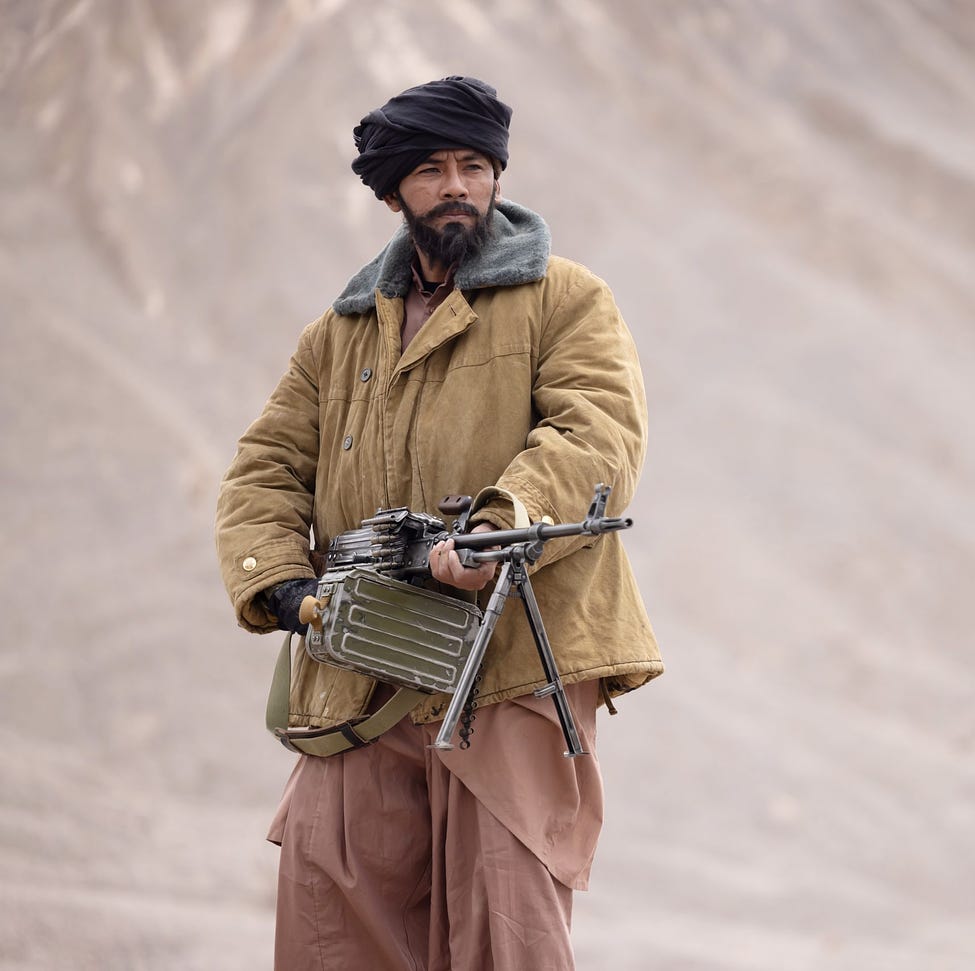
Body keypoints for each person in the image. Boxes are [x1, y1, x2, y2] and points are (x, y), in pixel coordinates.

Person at [214, 75, 662, 970]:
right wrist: (285, 585)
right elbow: (262, 468)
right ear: (392, 192)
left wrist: (496, 533)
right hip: (360, 674)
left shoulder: (565, 299)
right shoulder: (337, 337)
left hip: (510, 663)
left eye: (472, 165)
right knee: (332, 929)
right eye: (430, 170)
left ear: (496, 174)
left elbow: (593, 433)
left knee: (507, 927)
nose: (456, 185)